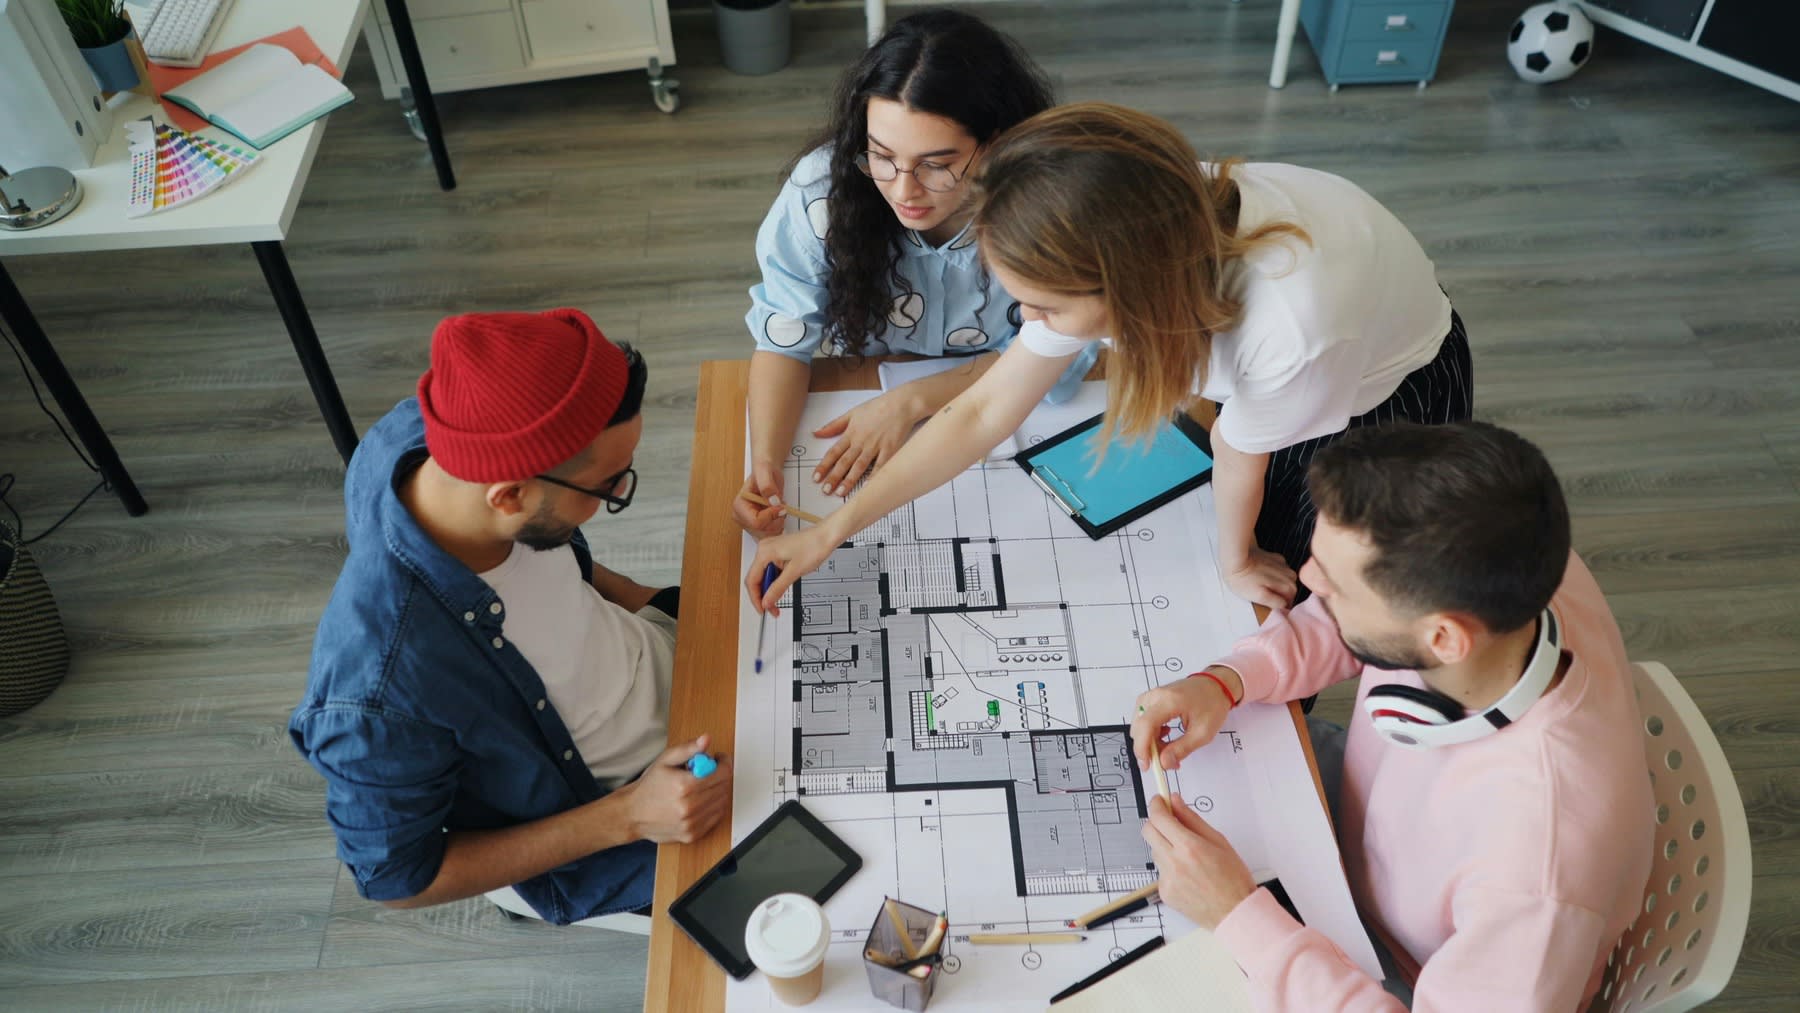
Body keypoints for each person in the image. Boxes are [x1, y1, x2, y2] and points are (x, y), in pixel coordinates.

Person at [743, 102, 1470, 613]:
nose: (1029, 325)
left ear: (1125, 287)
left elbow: (1239, 447)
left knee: (1311, 579)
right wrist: (831, 531)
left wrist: (1237, 560)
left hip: (1379, 391)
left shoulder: (1290, 328)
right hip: (1286, 343)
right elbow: (983, 409)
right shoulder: (1111, 224)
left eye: (1048, 309)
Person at [1132, 421, 1654, 1011]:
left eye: (1334, 587)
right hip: (1363, 837)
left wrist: (1237, 914)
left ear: (1444, 639)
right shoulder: (1504, 563)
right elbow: (1350, 625)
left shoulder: (1537, 875)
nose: (1306, 579)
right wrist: (1226, 682)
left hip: (1405, 970)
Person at [291, 309, 732, 925]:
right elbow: (395, 878)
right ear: (509, 496)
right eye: (608, 487)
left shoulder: (433, 437)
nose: (613, 498)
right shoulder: (377, 693)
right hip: (630, 802)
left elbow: (559, 569)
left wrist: (661, 600)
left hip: (666, 668)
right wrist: (631, 814)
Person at [733, 8, 1095, 538]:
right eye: (881, 156)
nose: (904, 191)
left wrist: (913, 399)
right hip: (891, 386)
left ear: (995, 144)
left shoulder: (1048, 206)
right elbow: (783, 335)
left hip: (1012, 397)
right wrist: (764, 465)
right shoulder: (822, 194)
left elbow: (1068, 351)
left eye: (936, 164)